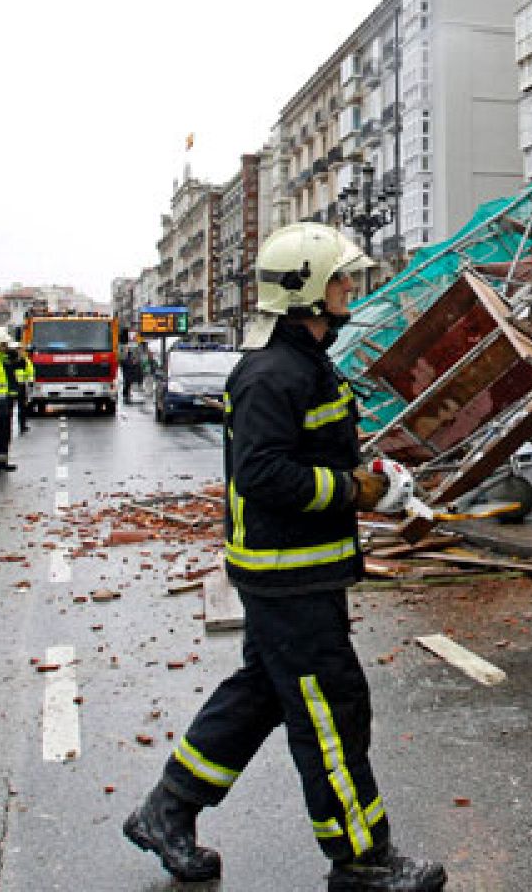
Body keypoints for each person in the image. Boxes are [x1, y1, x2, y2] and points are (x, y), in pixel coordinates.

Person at [123, 224, 445, 891]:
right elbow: (265, 474)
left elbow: (312, 454)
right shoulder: (275, 372)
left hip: (300, 569)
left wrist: (371, 474)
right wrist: (353, 490)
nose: (350, 287)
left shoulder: (306, 361)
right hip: (286, 575)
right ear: (307, 289)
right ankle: (361, 859)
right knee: (332, 708)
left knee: (262, 693)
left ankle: (168, 810)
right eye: (340, 279)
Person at [0, 328, 16, 471]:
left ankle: (1, 462)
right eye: (4, 344)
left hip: (2, 403)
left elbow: (16, 361)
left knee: (3, 433)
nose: (6, 347)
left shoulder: (1, 360)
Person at [12, 339, 35, 432]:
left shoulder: (26, 361)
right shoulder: (11, 360)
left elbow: (31, 372)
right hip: (12, 385)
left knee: (22, 407)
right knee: (10, 408)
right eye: (18, 349)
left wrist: (30, 382)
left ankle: (22, 426)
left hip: (22, 386)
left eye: (21, 349)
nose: (19, 351)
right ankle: (9, 427)